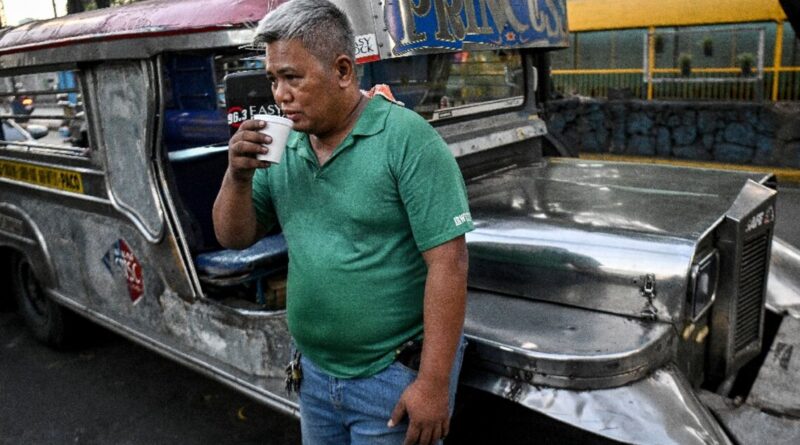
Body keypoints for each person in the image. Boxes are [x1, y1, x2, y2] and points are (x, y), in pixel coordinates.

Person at [212, 1, 473, 443]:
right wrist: (236, 175)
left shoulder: (406, 140)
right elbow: (235, 236)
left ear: (344, 71)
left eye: (292, 77)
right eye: (273, 80)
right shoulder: (281, 146)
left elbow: (449, 263)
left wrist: (431, 384)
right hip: (314, 375)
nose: (279, 95)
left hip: (389, 380)